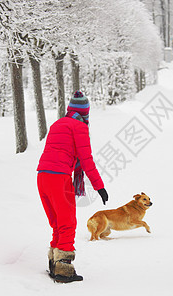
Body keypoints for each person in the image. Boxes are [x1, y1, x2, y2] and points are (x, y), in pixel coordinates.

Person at [37, 90, 108, 283]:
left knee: (58, 222)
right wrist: (99, 187)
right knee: (67, 222)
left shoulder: (57, 124)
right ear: (85, 112)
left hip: (42, 176)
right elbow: (86, 160)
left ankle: (54, 262)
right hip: (59, 178)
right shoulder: (80, 127)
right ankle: (64, 269)